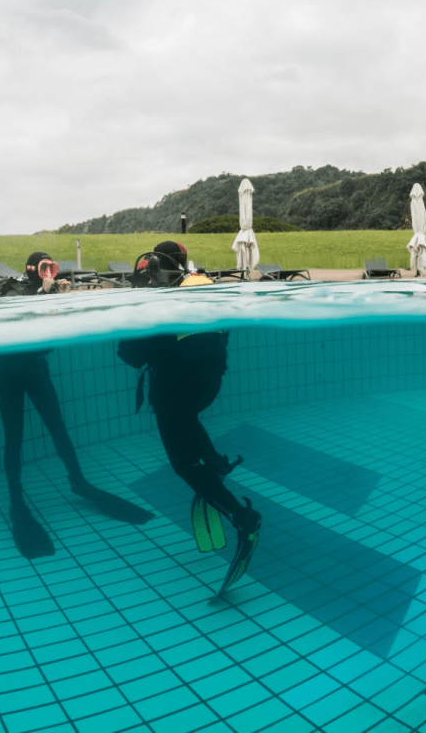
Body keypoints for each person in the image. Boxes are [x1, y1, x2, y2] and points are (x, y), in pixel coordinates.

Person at [118, 241, 261, 593]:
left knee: (183, 464)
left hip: (173, 388)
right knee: (187, 419)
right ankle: (214, 462)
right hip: (208, 386)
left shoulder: (158, 296)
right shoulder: (201, 284)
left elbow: (131, 352)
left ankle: (243, 518)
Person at [0, 252, 153, 559]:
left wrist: (59, 300)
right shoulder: (16, 292)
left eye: (52, 267)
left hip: (36, 370)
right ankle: (17, 502)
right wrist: (42, 295)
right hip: (9, 374)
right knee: (14, 438)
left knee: (58, 427)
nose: (49, 272)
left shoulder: (50, 292)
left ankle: (78, 481)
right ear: (31, 270)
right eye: (44, 268)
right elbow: (15, 319)